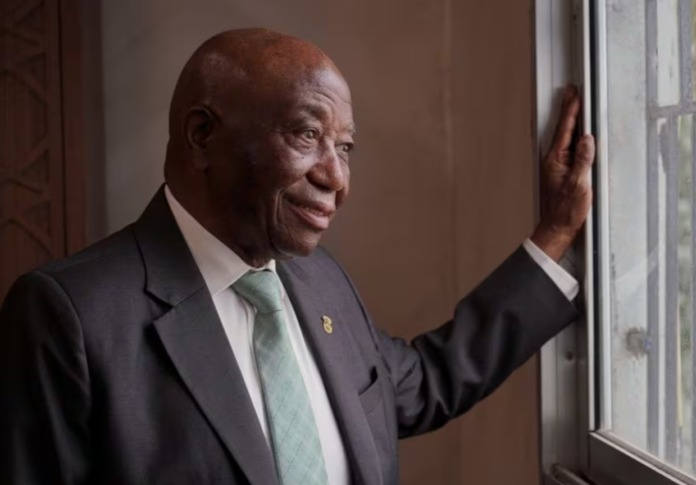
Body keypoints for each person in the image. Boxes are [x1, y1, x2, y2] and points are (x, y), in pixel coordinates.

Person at [0, 29, 595, 485]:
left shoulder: (317, 278)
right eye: (307, 135)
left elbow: (423, 384)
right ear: (202, 136)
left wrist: (554, 235)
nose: (337, 176)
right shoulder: (69, 316)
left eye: (345, 146)